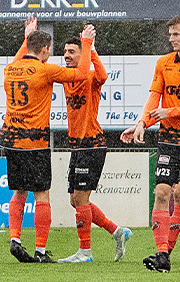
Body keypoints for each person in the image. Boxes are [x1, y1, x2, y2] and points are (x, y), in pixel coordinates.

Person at [121, 14, 180, 273]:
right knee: (162, 192)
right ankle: (162, 255)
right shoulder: (164, 63)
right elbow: (155, 97)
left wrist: (171, 112)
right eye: (170, 34)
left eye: (176, 34)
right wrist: (142, 123)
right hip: (170, 140)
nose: (171, 38)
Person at [3, 18, 96, 264]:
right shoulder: (45, 69)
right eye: (49, 50)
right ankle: (41, 251)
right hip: (36, 142)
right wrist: (86, 43)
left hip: (12, 140)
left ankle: (15, 239)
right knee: (41, 194)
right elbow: (82, 73)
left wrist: (27, 37)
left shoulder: (10, 68)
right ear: (45, 50)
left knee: (19, 192)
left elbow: (22, 55)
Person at [56, 34, 133, 264]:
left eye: (72, 51)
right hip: (77, 146)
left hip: (92, 143)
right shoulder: (68, 77)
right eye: (65, 51)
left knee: (81, 198)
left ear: (83, 55)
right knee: (75, 199)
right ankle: (117, 231)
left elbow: (102, 75)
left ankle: (85, 252)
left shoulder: (89, 77)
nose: (67, 55)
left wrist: (92, 49)